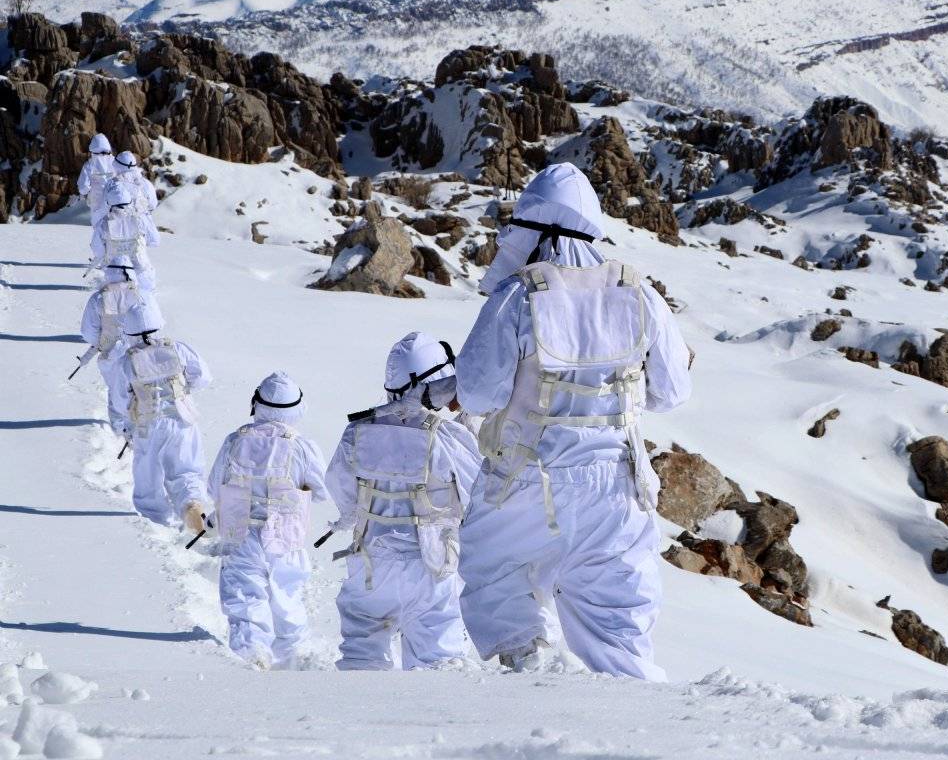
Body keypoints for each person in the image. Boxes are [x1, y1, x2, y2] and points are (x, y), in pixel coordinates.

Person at [456, 162, 691, 681]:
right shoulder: (640, 293)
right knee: (618, 624)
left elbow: (474, 393)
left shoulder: (519, 295)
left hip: (525, 481)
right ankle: (638, 725)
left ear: (530, 226)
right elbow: (671, 392)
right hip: (618, 488)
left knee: (498, 580)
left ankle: (528, 689)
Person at [325, 331, 482, 671]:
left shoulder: (357, 431)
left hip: (371, 563)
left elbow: (341, 489)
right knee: (436, 661)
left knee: (360, 656)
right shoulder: (448, 436)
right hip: (430, 566)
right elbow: (480, 497)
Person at [206, 372, 329, 670]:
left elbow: (213, 486)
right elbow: (324, 490)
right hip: (285, 538)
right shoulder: (302, 446)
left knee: (246, 600)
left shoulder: (234, 440)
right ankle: (292, 662)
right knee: (287, 600)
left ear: (256, 403)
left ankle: (251, 659)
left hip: (240, 533)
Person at [109, 300, 211, 529]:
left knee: (149, 477)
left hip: (148, 424)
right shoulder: (177, 348)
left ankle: (156, 522)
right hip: (183, 419)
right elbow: (203, 376)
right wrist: (184, 390)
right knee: (187, 469)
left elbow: (119, 400)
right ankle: (192, 505)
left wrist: (123, 427)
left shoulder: (126, 361)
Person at [78, 256, 156, 391]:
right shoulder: (145, 295)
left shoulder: (98, 298)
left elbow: (89, 332)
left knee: (116, 393)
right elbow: (155, 325)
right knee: (143, 394)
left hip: (111, 354)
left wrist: (101, 344)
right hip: (142, 354)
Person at [90, 179, 159, 289]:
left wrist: (104, 257)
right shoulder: (140, 219)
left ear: (109, 202)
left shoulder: (104, 223)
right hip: (142, 273)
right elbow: (154, 239)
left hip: (116, 273)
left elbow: (96, 247)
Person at [77, 133, 115, 227]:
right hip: (114, 203)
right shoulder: (115, 162)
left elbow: (83, 188)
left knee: (99, 233)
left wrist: (88, 194)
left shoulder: (89, 165)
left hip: (97, 205)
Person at [113, 151, 158, 221]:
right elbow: (153, 205)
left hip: (125, 228)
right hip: (147, 226)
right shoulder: (147, 183)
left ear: (117, 165)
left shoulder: (115, 185)